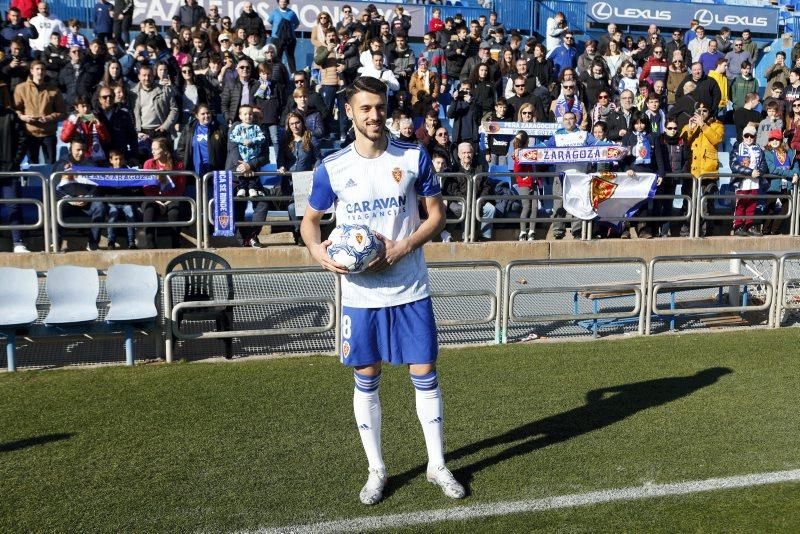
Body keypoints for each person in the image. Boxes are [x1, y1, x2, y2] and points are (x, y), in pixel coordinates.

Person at [301, 76, 463, 506]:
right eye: (365, 108)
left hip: (410, 287)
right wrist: (320, 254)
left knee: (424, 375)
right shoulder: (332, 167)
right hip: (361, 296)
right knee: (366, 378)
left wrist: (404, 245)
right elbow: (310, 221)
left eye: (380, 107)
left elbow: (437, 216)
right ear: (350, 112)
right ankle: (377, 470)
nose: (374, 116)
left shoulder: (412, 157)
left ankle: (436, 465)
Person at [53, 139, 106, 250]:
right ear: (70, 149)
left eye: (83, 150)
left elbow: (97, 187)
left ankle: (93, 244)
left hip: (86, 203)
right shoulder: (61, 164)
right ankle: (56, 243)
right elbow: (55, 188)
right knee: (55, 208)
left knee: (99, 206)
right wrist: (69, 199)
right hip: (66, 202)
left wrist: (87, 198)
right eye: (78, 150)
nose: (81, 153)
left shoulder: (91, 165)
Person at [680, 102, 724, 236]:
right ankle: (686, 230)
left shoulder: (718, 125)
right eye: (699, 110)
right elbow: (683, 141)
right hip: (691, 170)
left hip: (708, 170)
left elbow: (717, 140)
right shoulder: (689, 124)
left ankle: (706, 232)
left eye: (705, 110)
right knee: (688, 201)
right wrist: (691, 128)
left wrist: (703, 126)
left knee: (706, 203)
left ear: (709, 112)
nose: (702, 113)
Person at [13, 60, 65, 164]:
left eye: (42, 69)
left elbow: (62, 113)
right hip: (30, 132)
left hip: (48, 133)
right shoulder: (20, 88)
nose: (40, 72)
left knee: (51, 165)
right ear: (31, 71)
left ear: (45, 72)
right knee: (33, 165)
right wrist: (23, 117)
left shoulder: (54, 90)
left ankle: (50, 181)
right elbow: (16, 110)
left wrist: (49, 117)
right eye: (37, 69)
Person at [141, 137, 186, 248]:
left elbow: (180, 188)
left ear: (165, 150)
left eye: (155, 149)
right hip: (154, 199)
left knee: (174, 212)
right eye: (152, 149)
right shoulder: (148, 164)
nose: (152, 152)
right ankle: (150, 246)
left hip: (172, 198)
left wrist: (166, 202)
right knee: (149, 210)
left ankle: (175, 244)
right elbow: (146, 187)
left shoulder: (178, 165)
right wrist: (158, 201)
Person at [0, 101, 30, 252]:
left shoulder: (10, 115)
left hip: (9, 171)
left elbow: (23, 139)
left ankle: (18, 242)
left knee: (13, 205)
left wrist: (14, 161)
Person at [654, 117, 691, 237]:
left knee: (668, 205)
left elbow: (685, 159)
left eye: (675, 128)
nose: (673, 130)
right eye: (670, 128)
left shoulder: (681, 141)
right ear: (665, 129)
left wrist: (681, 173)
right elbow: (657, 158)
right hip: (661, 178)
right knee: (658, 205)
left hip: (673, 178)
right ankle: (655, 230)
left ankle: (664, 231)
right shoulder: (660, 140)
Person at [729, 125, 767, 236]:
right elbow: (733, 165)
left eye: (752, 136)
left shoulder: (759, 148)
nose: (749, 138)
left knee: (752, 204)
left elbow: (763, 163)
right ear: (743, 136)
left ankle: (749, 225)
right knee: (741, 204)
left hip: (754, 181)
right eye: (747, 135)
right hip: (742, 181)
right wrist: (750, 172)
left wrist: (759, 171)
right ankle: (738, 226)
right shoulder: (737, 148)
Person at [763, 130, 799, 235]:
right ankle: (765, 230)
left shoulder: (789, 152)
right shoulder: (767, 153)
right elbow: (773, 170)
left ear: (781, 140)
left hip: (786, 185)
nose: (774, 141)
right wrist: (790, 174)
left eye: (777, 139)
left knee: (786, 208)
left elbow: (795, 165)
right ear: (769, 141)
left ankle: (775, 230)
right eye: (772, 139)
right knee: (770, 209)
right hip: (772, 185)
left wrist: (796, 174)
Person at [229, 104, 266, 197]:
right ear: (240, 116)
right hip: (242, 157)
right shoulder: (237, 127)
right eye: (245, 114)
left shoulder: (256, 128)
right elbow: (232, 138)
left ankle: (252, 188)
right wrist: (242, 140)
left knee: (253, 174)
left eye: (250, 114)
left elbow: (262, 138)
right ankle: (242, 188)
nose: (248, 116)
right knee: (242, 174)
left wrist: (252, 141)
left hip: (253, 156)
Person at [104, 149, 139, 249]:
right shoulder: (105, 173)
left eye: (120, 159)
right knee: (112, 217)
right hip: (112, 203)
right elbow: (102, 188)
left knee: (131, 215)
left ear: (124, 160)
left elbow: (135, 188)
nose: (118, 161)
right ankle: (111, 242)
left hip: (126, 202)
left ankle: (131, 242)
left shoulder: (129, 172)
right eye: (116, 159)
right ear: (111, 160)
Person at [268, 0, 298, 74]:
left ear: (287, 3)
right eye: (281, 1)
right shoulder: (274, 12)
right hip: (276, 38)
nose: (283, 3)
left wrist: (289, 31)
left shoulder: (292, 13)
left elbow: (296, 23)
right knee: (276, 57)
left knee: (290, 57)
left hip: (289, 39)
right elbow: (270, 21)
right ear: (278, 2)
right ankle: (276, 73)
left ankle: (293, 74)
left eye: (285, 1)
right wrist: (278, 30)